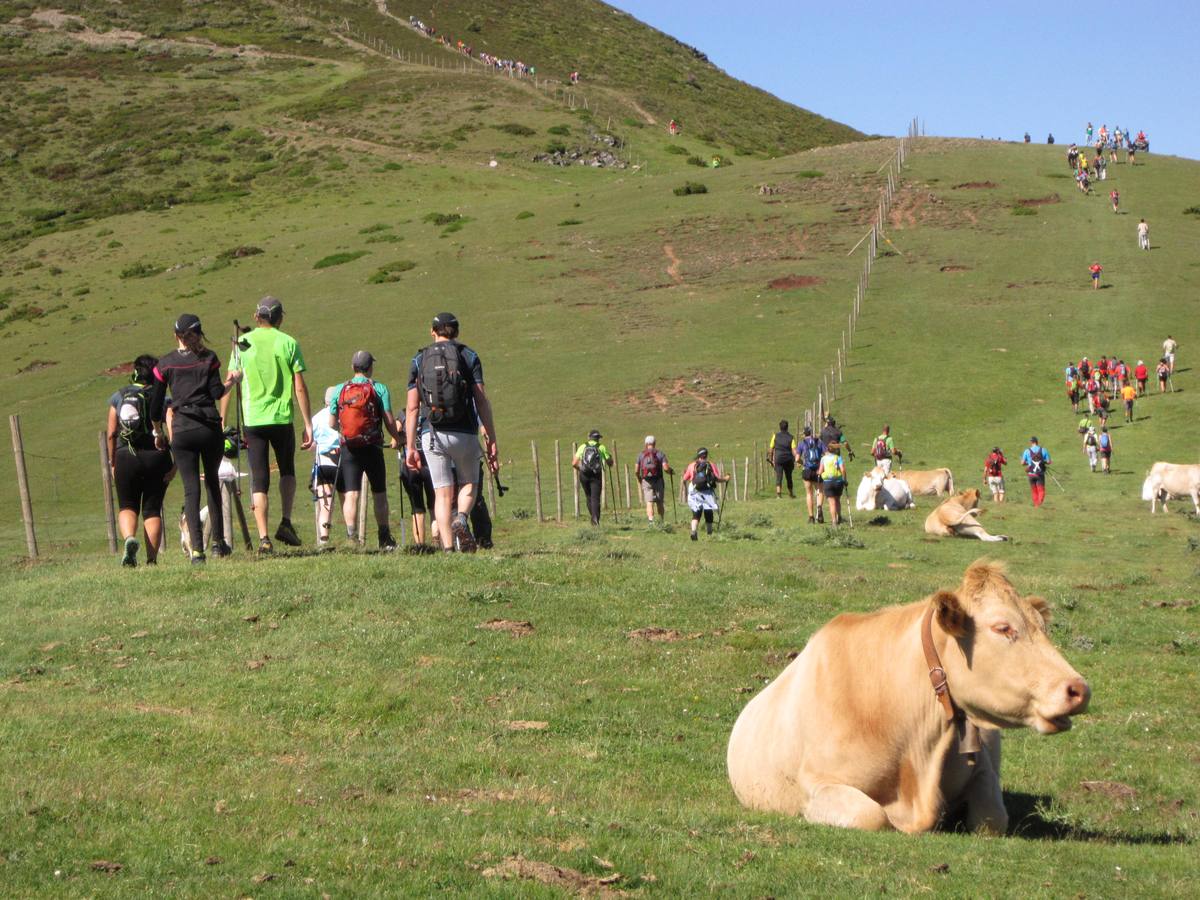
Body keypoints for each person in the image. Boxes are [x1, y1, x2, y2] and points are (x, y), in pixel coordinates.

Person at [222, 296, 313, 553]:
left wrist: (222, 421)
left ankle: (263, 537)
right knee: (287, 471)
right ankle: (285, 521)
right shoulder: (288, 342)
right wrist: (308, 423)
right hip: (282, 417)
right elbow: (300, 386)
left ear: (256, 316)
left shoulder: (242, 343)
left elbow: (229, 383)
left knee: (259, 478)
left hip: (253, 419)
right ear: (280, 318)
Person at [405, 312, 499, 553]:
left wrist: (410, 447)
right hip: (464, 432)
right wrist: (491, 438)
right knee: (469, 484)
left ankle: (448, 549)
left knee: (442, 494)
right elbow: (481, 400)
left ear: (432, 331)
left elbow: (413, 407)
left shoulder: (419, 359)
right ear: (456, 332)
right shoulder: (468, 356)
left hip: (431, 432)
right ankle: (461, 519)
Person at [152, 314, 240, 564]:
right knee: (212, 482)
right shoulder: (209, 358)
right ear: (199, 334)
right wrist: (232, 381)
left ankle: (197, 551)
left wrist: (158, 431)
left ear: (175, 335)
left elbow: (156, 404)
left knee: (191, 490)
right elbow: (215, 392)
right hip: (209, 427)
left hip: (182, 430)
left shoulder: (165, 364)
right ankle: (218, 543)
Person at [107, 354, 175, 566]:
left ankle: (129, 539)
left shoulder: (118, 397)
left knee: (127, 505)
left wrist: (112, 462)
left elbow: (111, 433)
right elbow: (174, 432)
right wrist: (174, 463)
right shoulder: (163, 398)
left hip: (126, 457)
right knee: (152, 509)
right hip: (157, 458)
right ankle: (151, 560)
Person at [330, 351, 400, 550]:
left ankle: (351, 537)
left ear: (353, 367)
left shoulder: (339, 389)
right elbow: (388, 420)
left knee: (351, 494)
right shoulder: (379, 388)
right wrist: (397, 437)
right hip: (373, 446)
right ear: (370, 368)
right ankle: (384, 536)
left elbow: (332, 422)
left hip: (349, 448)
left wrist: (347, 432)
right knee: (379, 493)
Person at [310, 386, 345, 551]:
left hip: (323, 461)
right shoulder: (342, 415)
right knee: (347, 500)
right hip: (341, 460)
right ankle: (351, 536)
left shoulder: (316, 418)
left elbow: (308, 440)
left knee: (325, 502)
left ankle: (323, 540)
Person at [398, 410, 436, 548]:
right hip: (430, 463)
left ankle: (420, 544)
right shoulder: (430, 413)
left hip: (411, 465)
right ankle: (436, 540)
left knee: (417, 507)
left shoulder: (403, 414)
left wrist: (403, 439)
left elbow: (395, 439)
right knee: (434, 505)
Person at [682, 447, 728, 540]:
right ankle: (710, 534)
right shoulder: (711, 465)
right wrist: (725, 479)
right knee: (708, 512)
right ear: (706, 455)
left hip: (695, 491)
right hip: (707, 492)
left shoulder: (692, 465)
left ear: (698, 455)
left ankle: (694, 531)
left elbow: (684, 478)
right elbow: (716, 479)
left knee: (696, 514)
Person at [573, 429, 612, 525]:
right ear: (598, 438)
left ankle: (593, 519)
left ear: (589, 437)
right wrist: (610, 460)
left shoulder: (583, 446)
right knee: (595, 498)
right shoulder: (601, 447)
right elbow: (609, 462)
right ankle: (595, 520)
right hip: (596, 475)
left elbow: (574, 463)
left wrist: (581, 469)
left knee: (588, 496)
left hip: (584, 474)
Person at [635, 435, 672, 524]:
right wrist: (670, 471)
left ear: (646, 444)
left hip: (646, 480)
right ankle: (661, 521)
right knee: (659, 502)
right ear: (654, 443)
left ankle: (651, 521)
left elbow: (636, 470)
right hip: (658, 480)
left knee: (649, 501)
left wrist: (639, 478)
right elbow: (666, 468)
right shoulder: (660, 454)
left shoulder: (641, 454)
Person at [797, 426, 825, 524]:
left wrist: (803, 463)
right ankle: (820, 508)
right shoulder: (819, 442)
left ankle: (811, 517)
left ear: (804, 434)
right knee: (820, 491)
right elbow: (826, 455)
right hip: (818, 470)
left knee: (809, 493)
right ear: (811, 433)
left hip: (807, 470)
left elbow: (797, 459)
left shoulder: (801, 444)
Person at [818, 442, 848, 525]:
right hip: (838, 482)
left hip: (828, 482)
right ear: (834, 450)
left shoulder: (823, 459)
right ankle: (839, 517)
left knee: (832, 502)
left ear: (827, 450)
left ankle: (834, 521)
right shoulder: (838, 458)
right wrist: (844, 480)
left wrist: (818, 473)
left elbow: (820, 471)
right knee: (837, 500)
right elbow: (843, 470)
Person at [768, 420, 797, 498]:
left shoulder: (775, 436)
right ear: (787, 427)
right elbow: (794, 450)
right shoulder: (791, 437)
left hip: (778, 459)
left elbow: (770, 449)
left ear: (780, 427)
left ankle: (778, 494)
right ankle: (791, 494)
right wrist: (797, 459)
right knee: (789, 477)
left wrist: (771, 459)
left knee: (779, 476)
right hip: (788, 459)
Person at [1021, 436, 1051, 507]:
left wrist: (1028, 463)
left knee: (1034, 490)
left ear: (1031, 442)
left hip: (1031, 474)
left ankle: (1036, 505)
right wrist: (1043, 462)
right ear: (1037, 442)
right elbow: (1049, 461)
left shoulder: (1027, 451)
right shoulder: (1043, 450)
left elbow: (1022, 463)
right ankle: (1039, 503)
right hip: (1040, 474)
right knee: (1041, 490)